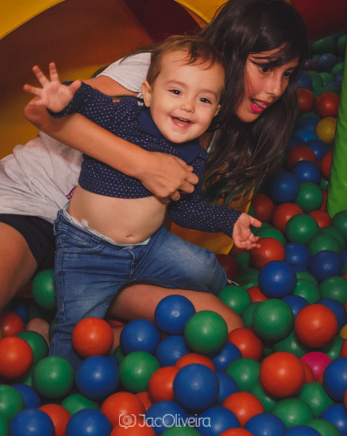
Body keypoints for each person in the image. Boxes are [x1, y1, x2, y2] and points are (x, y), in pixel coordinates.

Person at [0, 0, 307, 362]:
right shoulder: (159, 74)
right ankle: (51, 294)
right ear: (233, 49)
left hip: (111, 251)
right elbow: (43, 113)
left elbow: (184, 207)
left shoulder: (213, 117)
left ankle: (58, 301)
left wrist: (225, 220)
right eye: (265, 67)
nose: (274, 90)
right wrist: (146, 165)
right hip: (37, 204)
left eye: (286, 74)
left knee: (223, 325)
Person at [25, 36, 261, 365]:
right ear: (148, 93)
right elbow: (89, 101)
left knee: (206, 268)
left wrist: (229, 220)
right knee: (78, 334)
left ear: (217, 111)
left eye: (204, 99)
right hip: (88, 247)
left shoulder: (194, 155)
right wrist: (63, 97)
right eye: (176, 92)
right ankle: (51, 346)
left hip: (149, 247)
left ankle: (228, 288)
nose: (188, 105)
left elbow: (187, 210)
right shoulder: (124, 117)